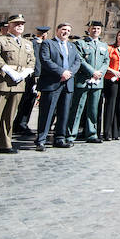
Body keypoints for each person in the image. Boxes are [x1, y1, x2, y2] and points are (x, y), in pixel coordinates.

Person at [0, 14, 35, 158]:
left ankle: (5, 144)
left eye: (22, 23)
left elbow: (31, 61)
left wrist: (24, 74)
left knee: (9, 116)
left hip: (18, 84)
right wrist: (10, 71)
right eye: (16, 23)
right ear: (9, 26)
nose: (20, 26)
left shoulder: (27, 43)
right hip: (1, 83)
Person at [35, 22, 81, 150]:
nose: (66, 32)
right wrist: (61, 72)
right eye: (63, 29)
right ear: (57, 30)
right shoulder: (48, 43)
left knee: (64, 112)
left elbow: (78, 61)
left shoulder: (72, 46)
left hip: (67, 83)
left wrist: (69, 73)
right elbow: (45, 60)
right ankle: (41, 139)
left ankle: (60, 138)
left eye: (68, 30)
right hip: (52, 83)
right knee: (47, 112)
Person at [69, 21, 109, 144]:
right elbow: (80, 59)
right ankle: (71, 134)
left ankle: (91, 133)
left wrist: (100, 73)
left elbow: (106, 61)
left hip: (97, 82)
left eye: (98, 28)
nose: (96, 30)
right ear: (89, 29)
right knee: (77, 109)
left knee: (93, 109)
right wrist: (92, 72)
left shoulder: (103, 45)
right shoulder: (80, 43)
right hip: (84, 80)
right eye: (93, 28)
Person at [13, 25, 48, 136]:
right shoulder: (35, 44)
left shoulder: (35, 43)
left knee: (28, 101)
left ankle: (20, 123)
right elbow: (36, 61)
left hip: (33, 76)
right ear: (44, 34)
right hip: (33, 77)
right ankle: (21, 124)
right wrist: (37, 76)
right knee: (27, 101)